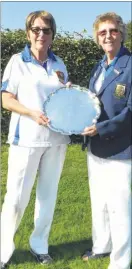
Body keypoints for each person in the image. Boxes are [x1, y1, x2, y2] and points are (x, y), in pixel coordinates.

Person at [1, 10, 71, 269]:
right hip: (26, 140)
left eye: (47, 30)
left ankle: (39, 246)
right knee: (16, 198)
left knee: (48, 196)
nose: (41, 34)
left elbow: (62, 100)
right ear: (28, 32)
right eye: (36, 29)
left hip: (57, 141)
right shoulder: (17, 61)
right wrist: (31, 113)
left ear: (53, 34)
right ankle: (3, 252)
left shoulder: (59, 64)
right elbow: (6, 99)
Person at [81, 12, 132, 269]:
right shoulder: (99, 66)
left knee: (119, 206)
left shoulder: (130, 65)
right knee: (99, 201)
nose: (108, 36)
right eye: (102, 32)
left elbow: (130, 112)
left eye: (112, 30)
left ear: (121, 33)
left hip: (121, 149)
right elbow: (91, 102)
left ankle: (121, 261)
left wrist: (100, 128)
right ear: (97, 38)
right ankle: (102, 246)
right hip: (96, 148)